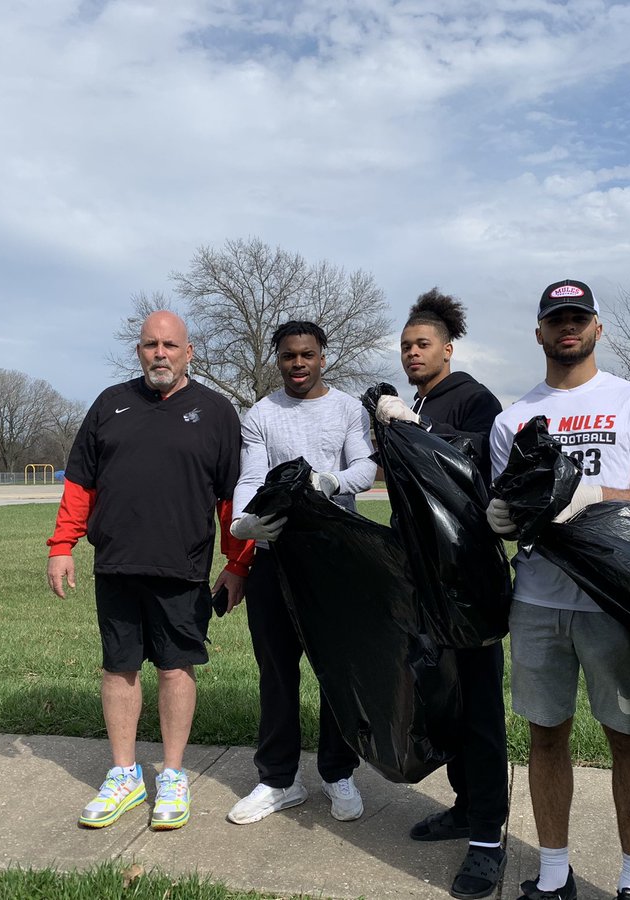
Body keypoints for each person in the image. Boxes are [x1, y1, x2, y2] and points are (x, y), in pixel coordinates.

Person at [486, 280, 630, 900]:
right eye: (556, 319)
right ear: (539, 333)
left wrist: (595, 496)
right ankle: (553, 873)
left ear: (598, 328)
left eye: (578, 317)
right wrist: (501, 517)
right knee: (546, 735)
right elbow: (507, 502)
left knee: (628, 737)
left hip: (613, 601)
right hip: (537, 599)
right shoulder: (512, 418)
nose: (567, 327)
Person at [46, 311, 253, 832]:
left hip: (182, 568)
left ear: (188, 352)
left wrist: (237, 563)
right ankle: (124, 775)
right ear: (138, 351)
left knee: (175, 669)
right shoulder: (109, 404)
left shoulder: (216, 412)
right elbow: (80, 483)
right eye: (150, 345)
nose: (160, 353)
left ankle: (174, 774)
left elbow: (232, 498)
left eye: (170, 345)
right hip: (116, 563)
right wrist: (62, 544)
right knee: (118, 667)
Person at [374, 289, 509, 900]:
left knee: (479, 710)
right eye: (405, 346)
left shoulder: (475, 398)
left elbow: (474, 464)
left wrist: (415, 428)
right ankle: (464, 806)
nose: (412, 353)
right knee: (444, 702)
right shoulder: (419, 402)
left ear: (448, 349)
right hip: (420, 578)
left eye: (422, 344)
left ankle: (487, 838)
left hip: (466, 581)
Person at [226, 321, 378, 826]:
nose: (298, 364)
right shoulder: (260, 414)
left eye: (306, 355)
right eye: (289, 355)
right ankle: (278, 779)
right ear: (279, 359)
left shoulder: (348, 409)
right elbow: (251, 476)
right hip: (275, 558)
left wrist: (329, 480)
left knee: (337, 669)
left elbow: (365, 468)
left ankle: (338, 772)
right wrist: (244, 521)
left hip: (335, 557)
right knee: (276, 672)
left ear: (322, 357)